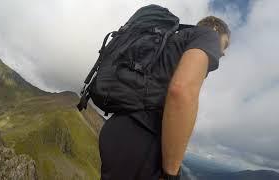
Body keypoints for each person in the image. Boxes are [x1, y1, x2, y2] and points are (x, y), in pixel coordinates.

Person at [98, 15, 231, 180]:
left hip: (119, 129)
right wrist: (171, 173)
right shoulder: (208, 35)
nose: (222, 53)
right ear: (216, 30)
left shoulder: (172, 39)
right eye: (223, 46)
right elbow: (181, 91)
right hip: (143, 140)